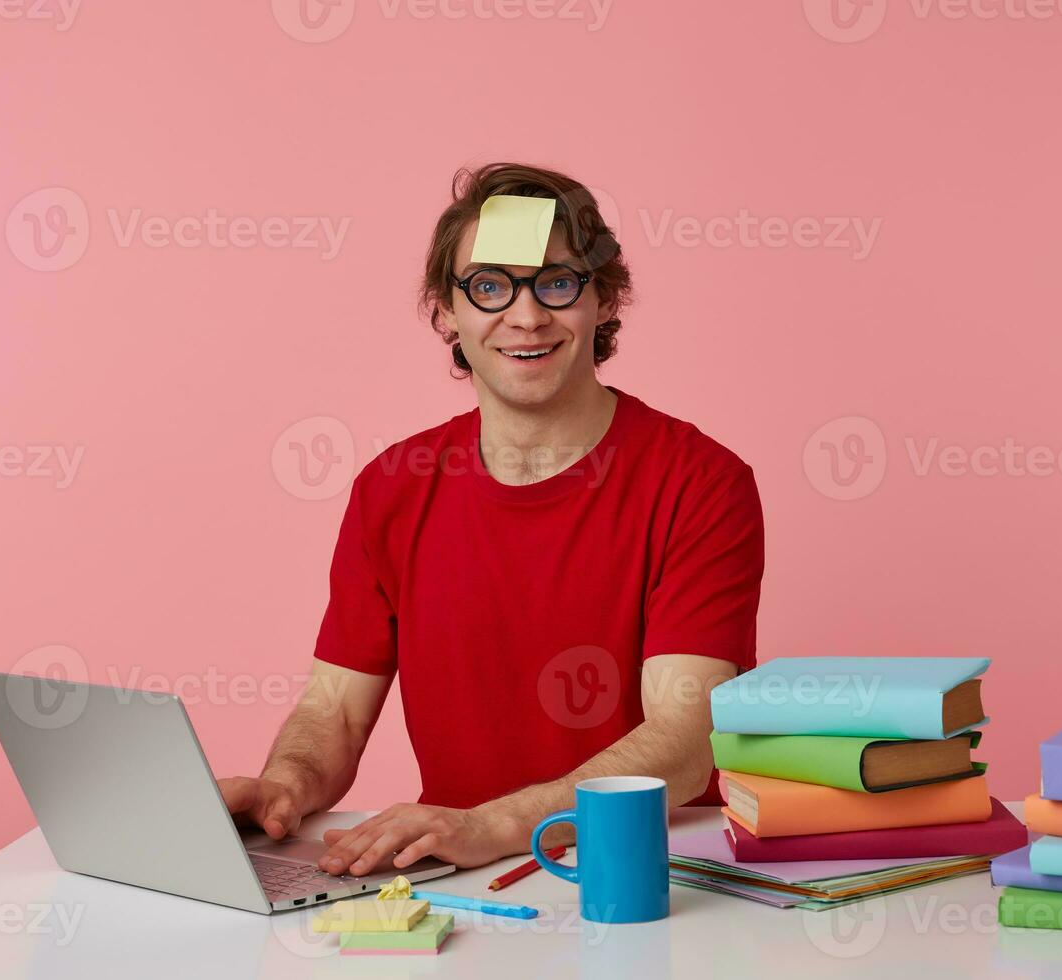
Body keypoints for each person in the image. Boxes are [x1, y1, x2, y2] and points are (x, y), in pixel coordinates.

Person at [220, 162, 765, 877]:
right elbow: (335, 713)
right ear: (446, 311)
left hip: (649, 872)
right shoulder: (391, 489)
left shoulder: (699, 482)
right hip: (456, 874)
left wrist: (495, 824)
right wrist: (283, 790)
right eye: (488, 286)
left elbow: (686, 740)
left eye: (558, 282)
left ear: (605, 301)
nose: (527, 315)